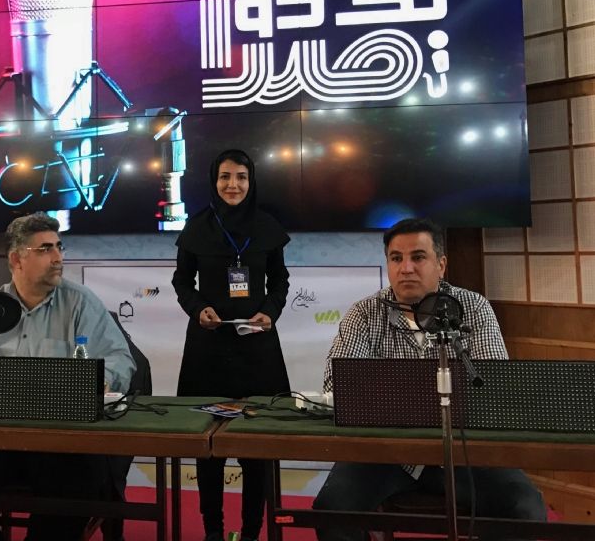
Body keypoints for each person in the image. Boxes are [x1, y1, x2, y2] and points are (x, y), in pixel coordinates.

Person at [312, 217, 546, 541]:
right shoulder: (364, 313)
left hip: (466, 452)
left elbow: (492, 386)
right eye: (396, 258)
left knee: (526, 509)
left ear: (441, 264)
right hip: (385, 455)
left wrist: (392, 393)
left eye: (418, 257)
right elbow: (338, 387)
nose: (406, 268)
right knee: (331, 510)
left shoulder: (474, 308)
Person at [0, 212, 135, 541]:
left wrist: (99, 380)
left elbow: (120, 359)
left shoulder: (80, 303)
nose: (58, 257)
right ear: (16, 259)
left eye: (59, 247)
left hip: (63, 444)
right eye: (45, 249)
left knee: (73, 490)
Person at [173, 148, 291, 541]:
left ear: (250, 181)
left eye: (241, 176)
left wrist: (270, 312)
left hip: (257, 347)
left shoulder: (267, 226)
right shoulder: (196, 227)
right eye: (225, 176)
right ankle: (213, 531)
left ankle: (252, 532)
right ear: (214, 180)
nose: (233, 185)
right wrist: (198, 309)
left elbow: (280, 280)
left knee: (256, 447)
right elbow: (181, 282)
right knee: (208, 447)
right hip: (208, 348)